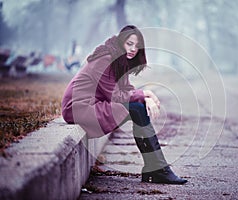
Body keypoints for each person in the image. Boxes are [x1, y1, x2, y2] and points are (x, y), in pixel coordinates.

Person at [61, 25, 187, 184]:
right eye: (129, 44)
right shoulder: (106, 59)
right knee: (136, 108)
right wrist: (145, 95)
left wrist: (144, 96)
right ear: (121, 42)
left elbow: (126, 89)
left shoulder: (119, 59)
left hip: (92, 105)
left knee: (138, 107)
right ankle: (157, 169)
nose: (133, 49)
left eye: (137, 46)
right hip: (78, 107)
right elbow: (115, 96)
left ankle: (157, 168)